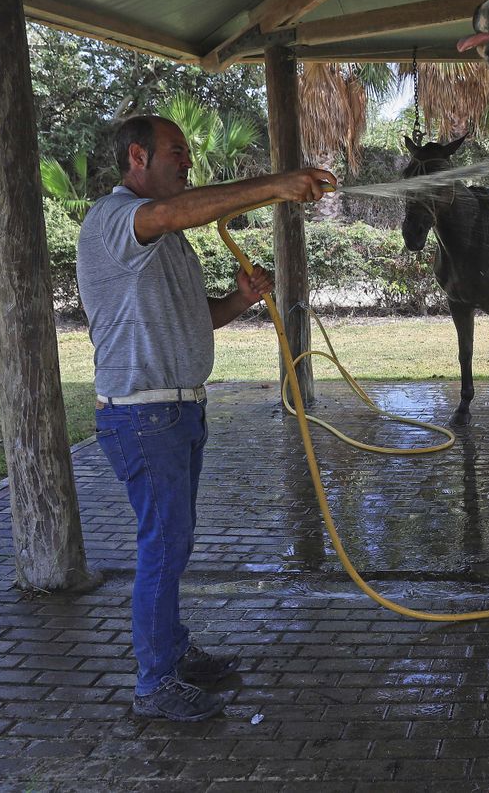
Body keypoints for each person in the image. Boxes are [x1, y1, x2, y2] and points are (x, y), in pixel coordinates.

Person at [77, 114, 333, 721]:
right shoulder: (116, 221)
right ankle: (154, 684)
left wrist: (240, 300)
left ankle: (172, 652)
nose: (186, 161)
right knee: (163, 547)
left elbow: (199, 317)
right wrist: (277, 184)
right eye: (176, 152)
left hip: (177, 411)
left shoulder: (163, 237)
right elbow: (172, 212)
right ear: (136, 157)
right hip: (145, 415)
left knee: (173, 543)